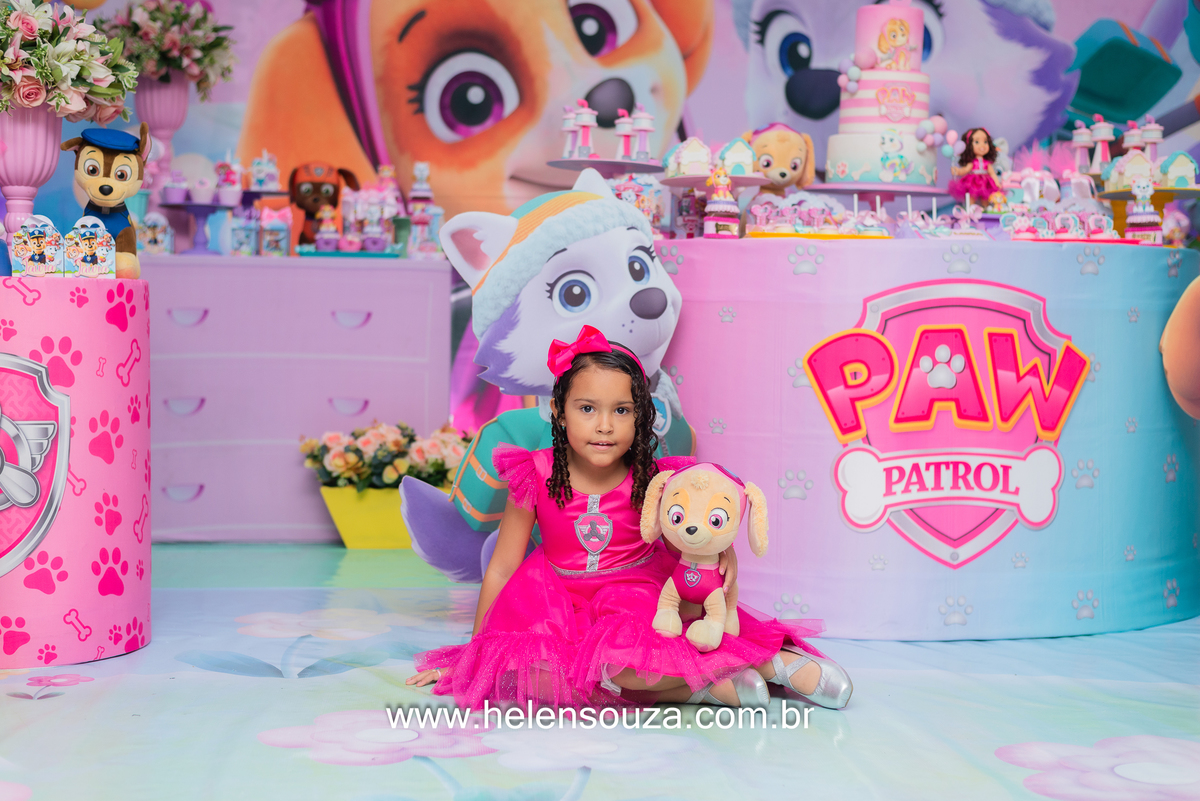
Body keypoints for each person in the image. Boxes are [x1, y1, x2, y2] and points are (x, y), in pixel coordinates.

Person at [407, 325, 853, 709]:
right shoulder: (535, 472)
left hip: (634, 591)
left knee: (634, 650)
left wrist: (724, 556)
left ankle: (771, 663)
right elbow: (503, 566)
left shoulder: (653, 479)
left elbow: (696, 534)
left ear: (640, 416)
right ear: (559, 412)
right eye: (587, 409)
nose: (604, 425)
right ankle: (702, 686)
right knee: (531, 674)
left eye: (621, 411)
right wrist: (476, 652)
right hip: (554, 598)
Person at [948, 128, 1001, 204]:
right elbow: (965, 169)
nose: (982, 145)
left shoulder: (987, 163)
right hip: (973, 181)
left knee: (986, 196)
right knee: (971, 195)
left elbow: (992, 173)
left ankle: (985, 207)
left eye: (985, 142)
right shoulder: (972, 162)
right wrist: (958, 171)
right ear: (969, 146)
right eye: (977, 142)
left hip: (986, 182)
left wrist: (997, 182)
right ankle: (970, 207)